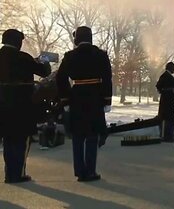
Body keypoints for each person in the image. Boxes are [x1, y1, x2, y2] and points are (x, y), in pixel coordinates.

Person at [56, 26, 112, 182]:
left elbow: (60, 78)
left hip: (77, 96)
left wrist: (65, 99)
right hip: (95, 96)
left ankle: (80, 171)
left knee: (78, 135)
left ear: (77, 39)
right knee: (92, 135)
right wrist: (107, 99)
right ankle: (90, 171)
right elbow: (107, 78)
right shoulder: (101, 55)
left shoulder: (70, 56)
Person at [0, 29, 51, 183]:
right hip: (21, 105)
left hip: (2, 104)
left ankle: (9, 172)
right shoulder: (23, 58)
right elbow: (44, 72)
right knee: (21, 139)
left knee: (8, 138)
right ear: (18, 41)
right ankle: (18, 173)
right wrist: (44, 62)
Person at [156, 62, 174, 142]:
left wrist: (163, 92)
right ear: (171, 68)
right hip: (168, 99)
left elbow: (159, 87)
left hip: (166, 99)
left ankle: (167, 135)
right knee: (168, 117)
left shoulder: (165, 75)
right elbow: (158, 86)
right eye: (173, 69)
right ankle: (167, 136)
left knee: (166, 117)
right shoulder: (166, 76)